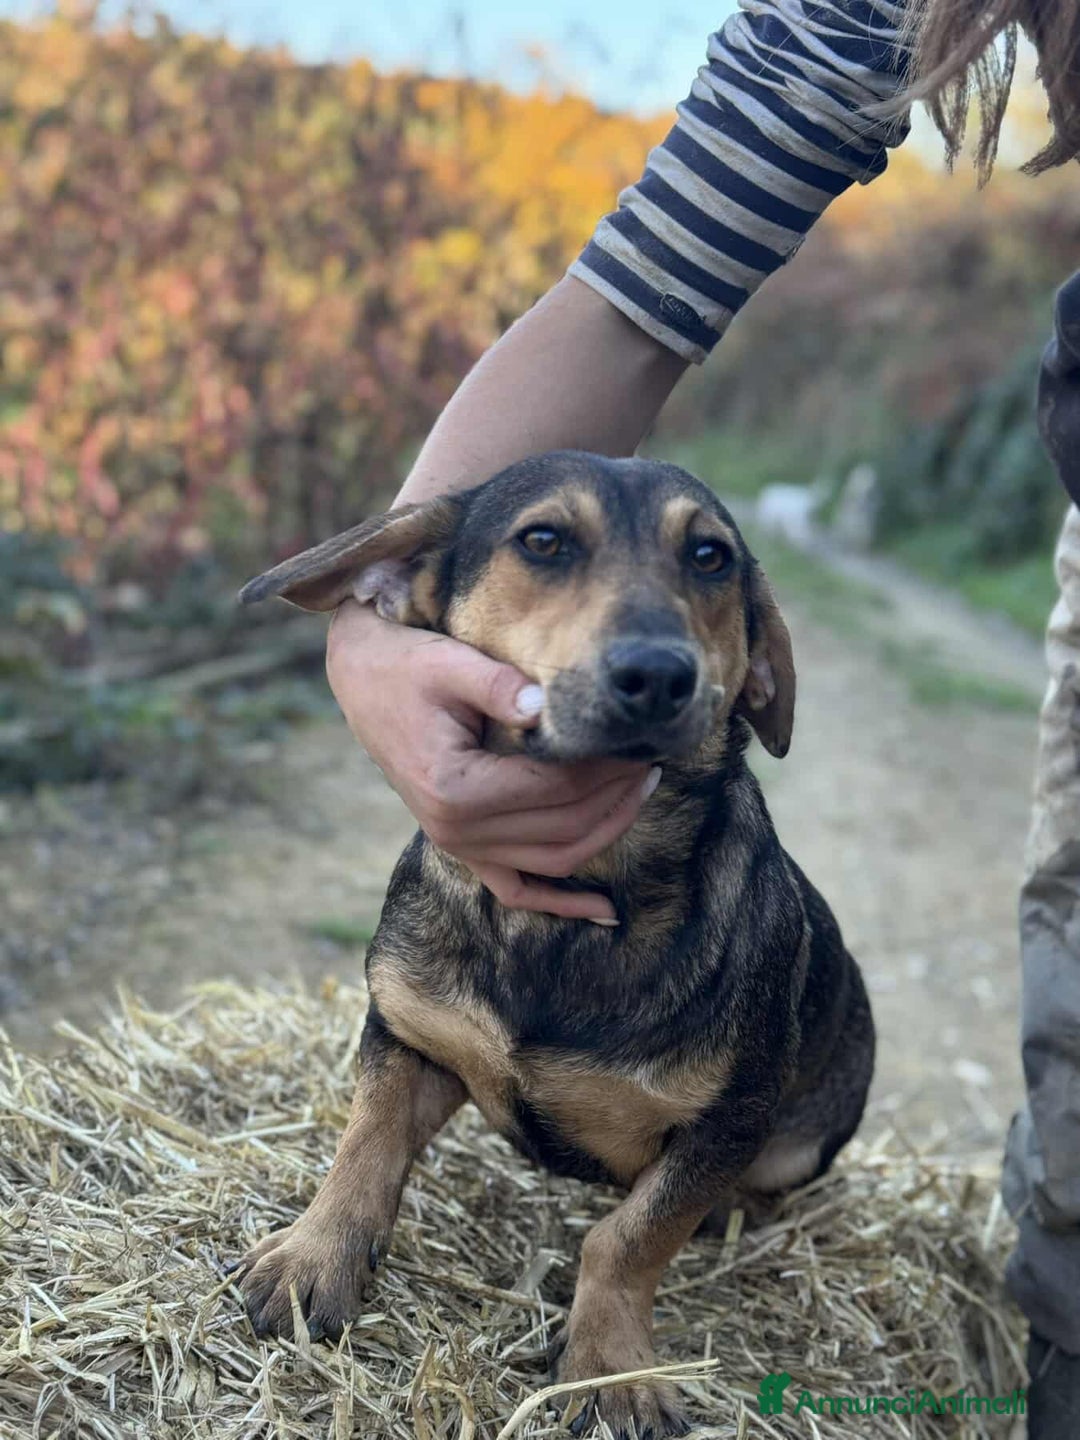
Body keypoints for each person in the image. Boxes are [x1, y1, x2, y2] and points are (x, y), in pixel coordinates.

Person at [325, 2, 1080, 1432]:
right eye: (550, 551)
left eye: (703, 571)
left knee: (774, 1143)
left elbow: (732, 1117)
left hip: (743, 1118)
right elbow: (697, 210)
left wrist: (617, 1274)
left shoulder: (730, 947)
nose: (650, 639)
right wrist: (371, 624)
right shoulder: (883, 19)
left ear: (758, 669)